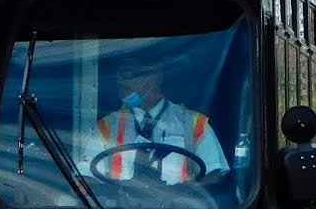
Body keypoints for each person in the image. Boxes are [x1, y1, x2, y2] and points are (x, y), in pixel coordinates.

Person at [79, 52, 229, 186]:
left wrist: (185, 195)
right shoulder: (107, 126)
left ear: (154, 76)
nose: (121, 81)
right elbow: (85, 179)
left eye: (129, 74)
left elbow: (213, 177)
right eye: (120, 74)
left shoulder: (194, 124)